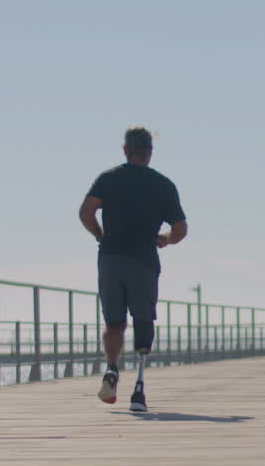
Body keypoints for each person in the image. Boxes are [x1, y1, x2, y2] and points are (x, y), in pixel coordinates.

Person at [78, 127, 188, 412]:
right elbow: (180, 228)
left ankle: (112, 368)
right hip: (143, 260)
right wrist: (164, 239)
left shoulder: (109, 178)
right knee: (142, 320)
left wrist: (100, 235)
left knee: (114, 322)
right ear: (150, 152)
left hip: (111, 258)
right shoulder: (162, 185)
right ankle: (139, 388)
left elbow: (86, 211)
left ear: (125, 150)